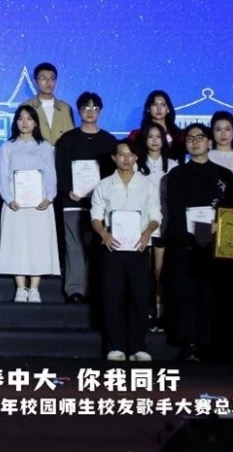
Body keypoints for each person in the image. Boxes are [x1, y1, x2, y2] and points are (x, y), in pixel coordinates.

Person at [162, 123, 233, 362]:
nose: (195, 142)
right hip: (185, 244)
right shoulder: (176, 174)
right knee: (186, 296)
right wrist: (189, 235)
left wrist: (219, 228)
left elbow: (230, 211)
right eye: (190, 138)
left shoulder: (224, 175)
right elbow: (174, 210)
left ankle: (210, 346)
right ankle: (189, 345)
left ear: (210, 142)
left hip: (214, 245)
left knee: (210, 295)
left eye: (200, 137)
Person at [90, 141, 161, 362]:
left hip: (139, 247)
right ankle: (115, 346)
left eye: (130, 154)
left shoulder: (147, 185)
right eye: (122, 155)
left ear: (136, 157)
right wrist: (104, 234)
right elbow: (95, 215)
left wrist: (147, 233)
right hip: (113, 248)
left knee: (139, 297)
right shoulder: (104, 185)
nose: (126, 159)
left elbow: (155, 215)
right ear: (114, 158)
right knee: (113, 297)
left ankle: (138, 346)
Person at [54, 92, 118, 304]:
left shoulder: (109, 141)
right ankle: (75, 290)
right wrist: (67, 190)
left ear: (100, 111)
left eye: (94, 108)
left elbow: (114, 175)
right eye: (85, 108)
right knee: (74, 247)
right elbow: (60, 170)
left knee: (98, 247)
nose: (90, 112)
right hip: (73, 203)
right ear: (78, 110)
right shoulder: (67, 139)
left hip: (101, 206)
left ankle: (96, 289)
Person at [0, 105, 60, 302]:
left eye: (29, 118)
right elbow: (3, 176)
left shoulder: (44, 146)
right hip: (15, 204)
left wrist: (49, 197)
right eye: (21, 118)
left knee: (38, 244)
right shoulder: (8, 147)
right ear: (16, 122)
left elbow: (50, 175)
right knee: (17, 244)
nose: (24, 122)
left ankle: (34, 288)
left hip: (39, 204)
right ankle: (20, 288)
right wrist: (9, 199)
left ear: (35, 123)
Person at [134, 122, 178, 332]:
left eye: (158, 136)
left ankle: (160, 313)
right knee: (142, 271)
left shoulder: (173, 164)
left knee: (159, 271)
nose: (154, 140)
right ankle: (143, 313)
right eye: (150, 136)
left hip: (163, 222)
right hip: (140, 224)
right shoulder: (136, 163)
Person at [22, 63, 74, 145]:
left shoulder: (65, 108)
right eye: (43, 78)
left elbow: (73, 139)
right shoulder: (25, 108)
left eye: (52, 78)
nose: (48, 82)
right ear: (35, 81)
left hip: (62, 153)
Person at [127, 90, 185, 161]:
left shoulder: (180, 135)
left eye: (163, 105)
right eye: (155, 104)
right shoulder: (136, 135)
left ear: (168, 109)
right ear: (148, 109)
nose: (159, 109)